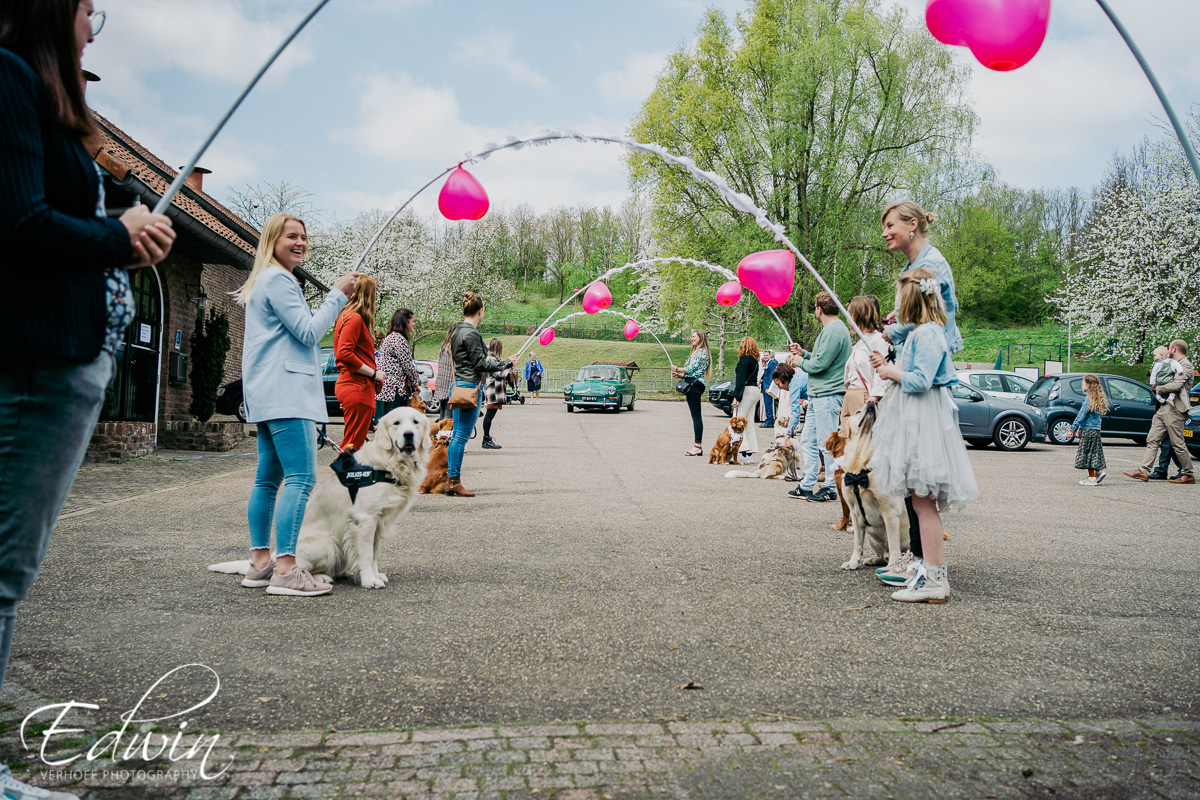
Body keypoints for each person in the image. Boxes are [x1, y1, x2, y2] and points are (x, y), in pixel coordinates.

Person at [0, 4, 177, 795]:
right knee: (4, 572)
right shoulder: (8, 80)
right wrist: (118, 234)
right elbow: (19, 223)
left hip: (56, 364)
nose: (90, 30)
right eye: (86, 13)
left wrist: (114, 221)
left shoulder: (32, 93)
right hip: (39, 362)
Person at [237, 212, 359, 598]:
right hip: (287, 394)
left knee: (267, 479)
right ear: (272, 240)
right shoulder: (280, 280)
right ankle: (287, 569)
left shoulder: (263, 281)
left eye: (304, 237)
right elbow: (308, 331)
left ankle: (260, 563)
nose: (300, 242)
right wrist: (338, 294)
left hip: (268, 393)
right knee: (301, 478)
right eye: (291, 236)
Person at [869, 267, 979, 603]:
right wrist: (889, 365)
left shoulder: (929, 334)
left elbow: (921, 380)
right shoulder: (919, 332)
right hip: (913, 413)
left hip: (922, 416)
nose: (895, 306)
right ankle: (929, 575)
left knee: (923, 502)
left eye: (899, 298)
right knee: (919, 501)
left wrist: (891, 371)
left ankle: (935, 578)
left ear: (912, 299)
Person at [446, 292, 511, 496]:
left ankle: (451, 481)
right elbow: (481, 364)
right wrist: (505, 363)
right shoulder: (472, 333)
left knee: (457, 435)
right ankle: (453, 482)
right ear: (480, 311)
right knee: (461, 436)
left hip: (459, 386)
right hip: (470, 389)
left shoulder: (457, 331)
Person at [789, 292, 850, 502]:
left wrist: (799, 362)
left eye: (815, 307)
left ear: (819, 309)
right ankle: (807, 484)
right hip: (818, 395)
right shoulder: (831, 330)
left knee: (827, 442)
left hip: (828, 395)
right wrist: (804, 353)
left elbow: (820, 365)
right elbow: (820, 358)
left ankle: (831, 487)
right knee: (808, 440)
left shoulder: (834, 330)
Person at [880, 202, 963, 355]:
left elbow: (925, 317)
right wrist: (899, 312)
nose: (884, 234)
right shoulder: (912, 267)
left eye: (890, 226)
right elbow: (930, 304)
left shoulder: (930, 266)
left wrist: (891, 332)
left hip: (930, 360)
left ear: (912, 224)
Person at [1125, 339, 1194, 484]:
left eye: (1169, 348)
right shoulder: (1167, 363)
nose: (1167, 350)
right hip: (1163, 407)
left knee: (1177, 443)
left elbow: (1176, 384)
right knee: (1152, 439)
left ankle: (1188, 474)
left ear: (1174, 349)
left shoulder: (1186, 365)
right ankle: (1144, 470)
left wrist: (1158, 388)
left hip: (1175, 408)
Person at [333, 275, 382, 451]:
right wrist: (374, 373)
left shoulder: (347, 317)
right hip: (357, 386)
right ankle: (347, 476)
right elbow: (345, 353)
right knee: (353, 445)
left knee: (354, 443)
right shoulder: (354, 319)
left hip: (356, 385)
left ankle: (349, 475)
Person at [843, 296, 891, 421]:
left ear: (854, 316)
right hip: (850, 396)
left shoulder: (877, 340)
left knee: (864, 437)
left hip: (864, 397)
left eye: (848, 314)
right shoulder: (860, 342)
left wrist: (873, 398)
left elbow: (882, 370)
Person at [374, 307, 421, 423]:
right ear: (406, 322)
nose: (414, 324)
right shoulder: (398, 339)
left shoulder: (390, 337)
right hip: (394, 390)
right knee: (394, 425)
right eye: (413, 321)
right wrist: (415, 382)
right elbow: (408, 365)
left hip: (386, 389)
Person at [671, 330, 712, 456]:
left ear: (700, 337)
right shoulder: (698, 352)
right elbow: (694, 371)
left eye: (694, 336)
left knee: (696, 416)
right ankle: (697, 445)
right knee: (695, 416)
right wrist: (680, 375)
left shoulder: (701, 352)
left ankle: (697, 446)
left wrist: (677, 368)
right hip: (694, 384)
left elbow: (691, 369)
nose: (691, 339)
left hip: (695, 386)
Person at [1070, 375, 1109, 486]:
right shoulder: (1098, 399)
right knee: (1094, 453)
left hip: (1087, 431)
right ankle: (1098, 472)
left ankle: (1092, 478)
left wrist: (1072, 429)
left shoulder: (1088, 400)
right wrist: (1079, 428)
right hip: (1095, 430)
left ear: (1088, 385)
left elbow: (1081, 415)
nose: (1082, 386)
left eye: (1083, 384)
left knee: (1087, 454)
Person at [731, 337, 762, 458]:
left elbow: (740, 380)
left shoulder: (744, 359)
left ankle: (742, 450)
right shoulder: (755, 361)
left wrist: (736, 397)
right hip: (755, 390)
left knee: (738, 421)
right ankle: (750, 450)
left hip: (747, 391)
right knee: (749, 422)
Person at [481, 338, 511, 449]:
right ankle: (486, 439)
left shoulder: (494, 358)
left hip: (496, 391)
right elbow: (498, 374)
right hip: (493, 391)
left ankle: (487, 438)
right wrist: (509, 368)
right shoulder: (491, 359)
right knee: (489, 414)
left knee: (491, 415)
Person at [433, 322, 456, 421]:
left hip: (441, 384)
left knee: (442, 417)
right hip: (449, 384)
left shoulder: (444, 346)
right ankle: (445, 436)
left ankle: (441, 435)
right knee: (448, 418)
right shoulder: (453, 346)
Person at [759, 349, 778, 428]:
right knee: (767, 404)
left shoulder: (772, 363)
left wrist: (769, 387)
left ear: (770, 356)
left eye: (767, 355)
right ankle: (769, 419)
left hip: (768, 387)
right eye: (764, 355)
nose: (765, 357)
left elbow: (771, 375)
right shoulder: (768, 363)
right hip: (765, 385)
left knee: (768, 404)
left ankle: (769, 421)